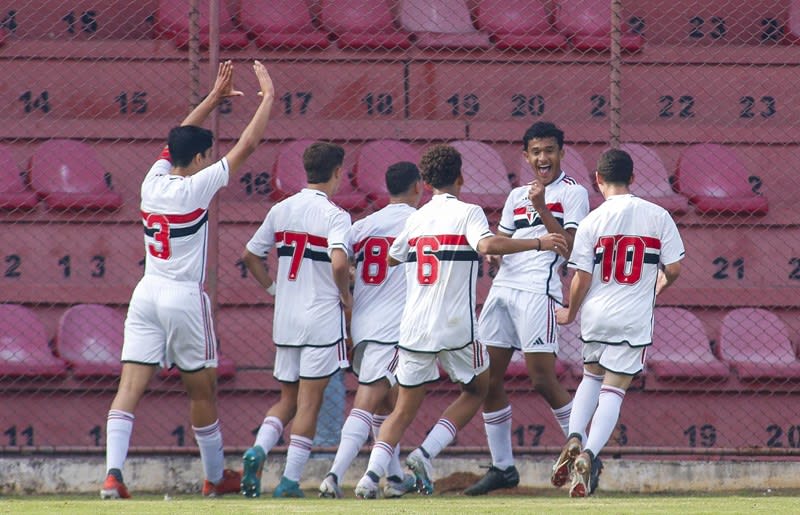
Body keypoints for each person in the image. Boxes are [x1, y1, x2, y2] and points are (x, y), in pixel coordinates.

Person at [100, 60, 275, 499]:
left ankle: (112, 475)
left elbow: (176, 137)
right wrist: (269, 97)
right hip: (182, 299)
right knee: (202, 389)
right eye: (206, 155)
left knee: (129, 388)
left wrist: (212, 100)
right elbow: (249, 144)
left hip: (146, 294)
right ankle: (214, 478)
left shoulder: (151, 180)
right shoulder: (196, 186)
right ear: (199, 159)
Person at [353, 144, 569, 499]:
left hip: (415, 327)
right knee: (478, 388)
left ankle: (369, 478)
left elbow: (393, 258)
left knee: (403, 408)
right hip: (455, 326)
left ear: (426, 182)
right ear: (460, 178)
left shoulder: (417, 217)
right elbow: (486, 247)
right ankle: (424, 453)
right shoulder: (469, 212)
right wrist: (538, 242)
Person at [465, 122, 590, 496]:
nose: (542, 158)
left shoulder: (574, 193)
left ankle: (584, 457)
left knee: (541, 379)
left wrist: (541, 208)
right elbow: (499, 239)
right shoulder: (517, 194)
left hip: (539, 291)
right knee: (487, 380)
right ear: (525, 156)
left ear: (562, 153)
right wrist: (495, 259)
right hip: (503, 291)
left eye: (549, 150)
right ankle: (503, 467)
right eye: (535, 152)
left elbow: (568, 247)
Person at [552, 148, 684, 497]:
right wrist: (656, 288)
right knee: (614, 390)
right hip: (632, 317)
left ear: (598, 180)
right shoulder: (658, 216)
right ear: (633, 179)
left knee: (590, 378)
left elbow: (581, 276)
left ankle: (574, 435)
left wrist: (569, 310)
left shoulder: (592, 221)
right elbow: (673, 269)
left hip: (597, 313)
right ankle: (589, 455)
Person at [240, 141, 352, 498]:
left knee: (287, 399)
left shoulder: (281, 209)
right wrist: (345, 296)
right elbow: (338, 262)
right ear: (337, 172)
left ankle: (258, 449)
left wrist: (274, 289)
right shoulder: (336, 215)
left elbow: (250, 255)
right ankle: (289, 480)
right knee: (309, 404)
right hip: (320, 319)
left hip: (286, 318)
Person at [318, 162, 423, 499]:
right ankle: (334, 475)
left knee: (385, 405)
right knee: (369, 402)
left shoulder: (361, 226)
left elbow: (340, 263)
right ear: (418, 187)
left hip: (363, 324)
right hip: (395, 327)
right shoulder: (420, 223)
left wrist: (348, 293)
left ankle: (393, 480)